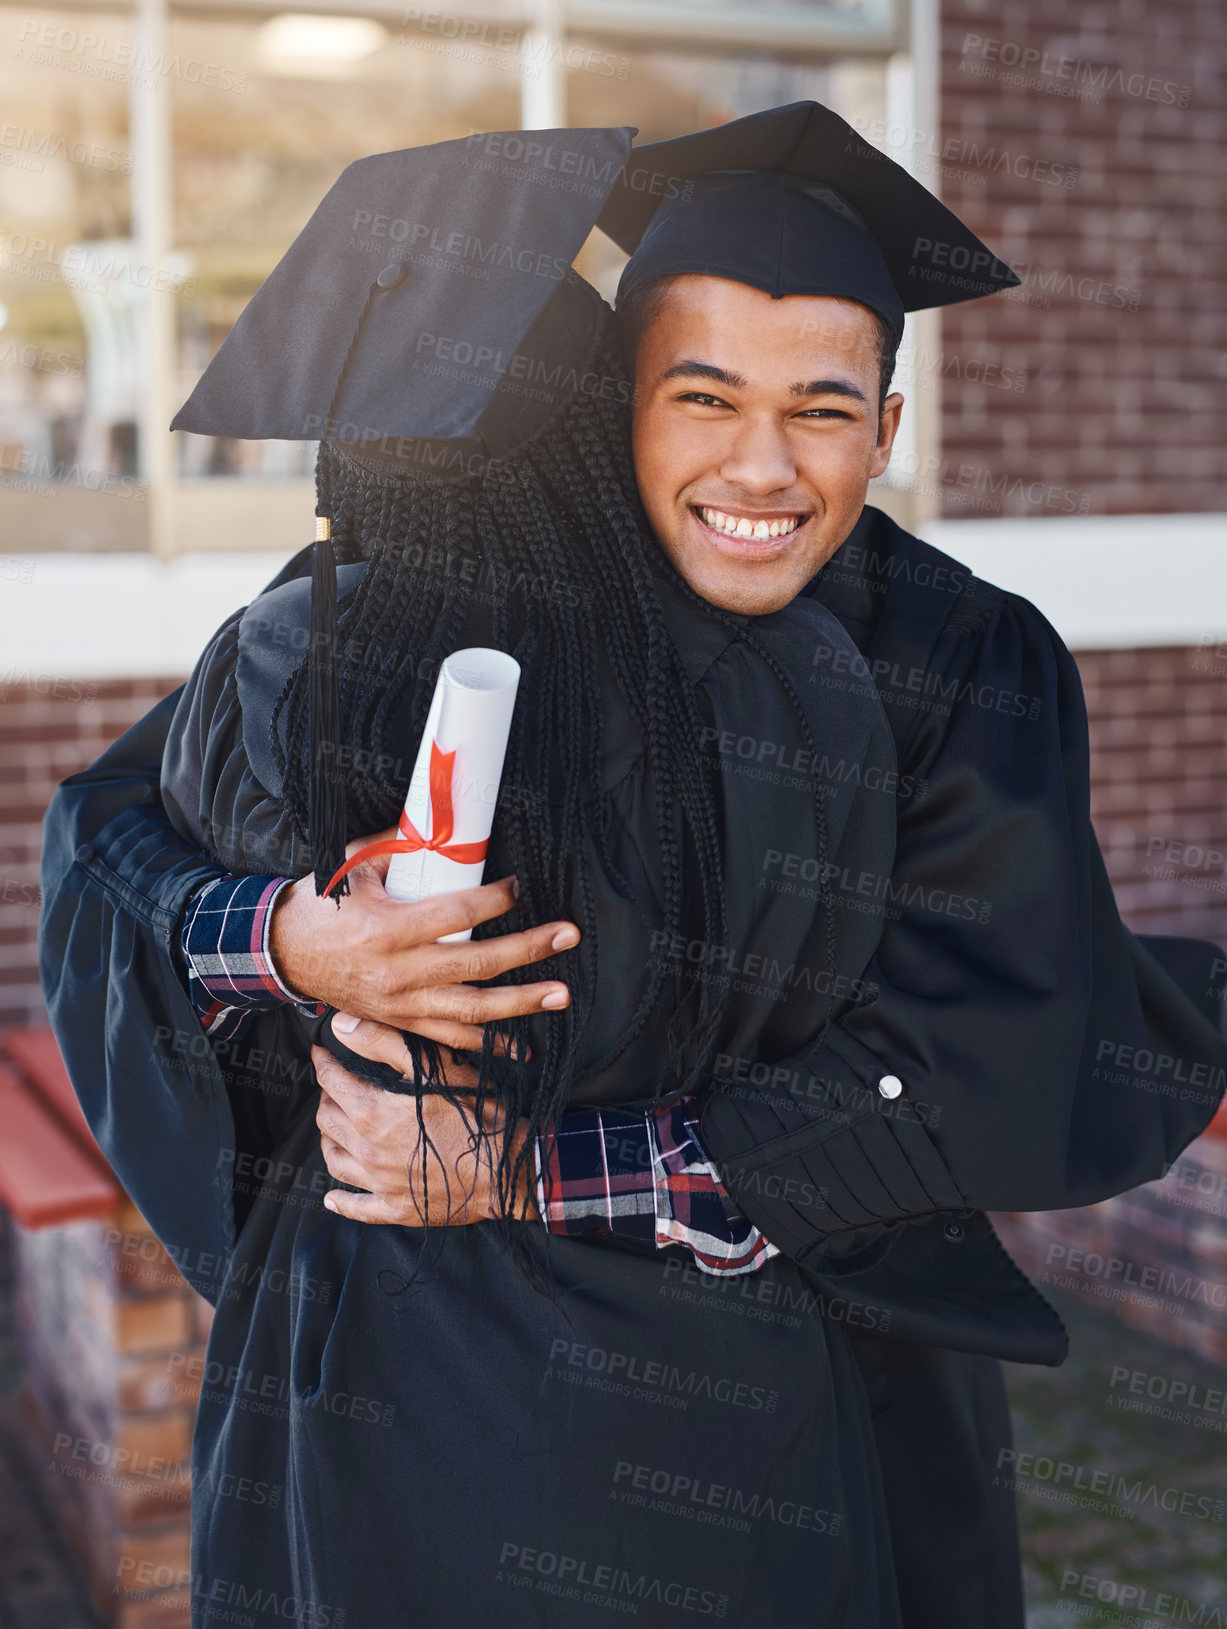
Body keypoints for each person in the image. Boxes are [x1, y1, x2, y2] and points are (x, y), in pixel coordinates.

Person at [40, 107, 1226, 1628]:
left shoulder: (956, 657)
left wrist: (526, 1167)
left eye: (822, 408)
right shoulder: (375, 618)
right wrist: (283, 938)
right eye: (703, 394)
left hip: (826, 1367)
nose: (762, 467)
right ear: (618, 406)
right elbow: (106, 830)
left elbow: (981, 1059)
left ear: (889, 426)